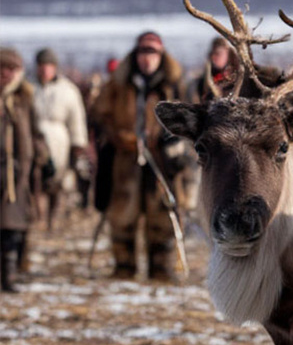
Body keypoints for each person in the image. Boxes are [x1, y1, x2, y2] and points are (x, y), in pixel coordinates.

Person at [90, 31, 187, 281]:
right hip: (125, 158)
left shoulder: (172, 83)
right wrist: (117, 136)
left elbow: (189, 115)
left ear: (161, 55)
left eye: (152, 52)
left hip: (161, 158)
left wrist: (172, 138)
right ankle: (124, 267)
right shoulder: (119, 82)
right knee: (122, 214)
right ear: (136, 54)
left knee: (162, 213)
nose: (147, 58)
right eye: (143, 51)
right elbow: (100, 113)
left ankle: (161, 269)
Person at [1, 48, 46, 292]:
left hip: (17, 174)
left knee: (12, 228)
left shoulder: (24, 99)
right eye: (2, 69)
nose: (6, 75)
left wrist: (42, 155)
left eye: (12, 70)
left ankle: (9, 277)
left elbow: (35, 131)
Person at [32, 47, 89, 224]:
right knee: (36, 181)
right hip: (34, 141)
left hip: (60, 143)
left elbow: (76, 119)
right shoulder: (30, 88)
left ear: (55, 67)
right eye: (41, 65)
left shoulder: (68, 90)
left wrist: (78, 144)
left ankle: (55, 220)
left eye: (48, 66)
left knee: (59, 182)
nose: (45, 70)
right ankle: (38, 219)